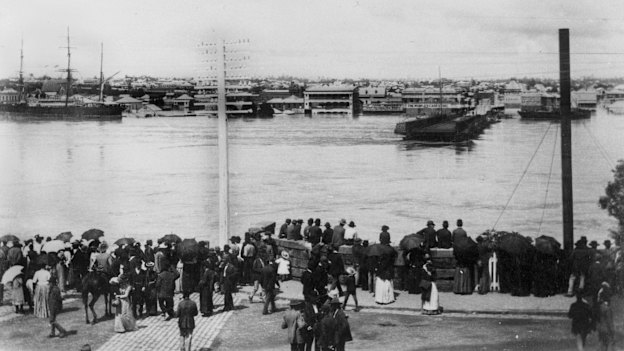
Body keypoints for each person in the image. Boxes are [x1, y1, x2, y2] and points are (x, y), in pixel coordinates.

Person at [375, 228, 397, 305]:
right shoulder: (391, 249)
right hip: (389, 269)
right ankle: (388, 299)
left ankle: (380, 299)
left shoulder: (379, 249)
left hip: (381, 269)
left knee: (381, 285)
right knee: (388, 285)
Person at [596, 282, 614, 351]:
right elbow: (609, 321)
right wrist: (612, 330)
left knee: (601, 344)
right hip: (606, 329)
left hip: (600, 328)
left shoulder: (600, 307)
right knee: (608, 344)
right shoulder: (607, 308)